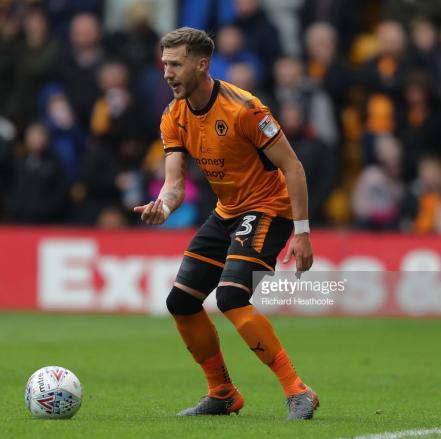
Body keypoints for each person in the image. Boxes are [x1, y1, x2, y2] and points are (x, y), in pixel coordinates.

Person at [133, 27, 318, 420]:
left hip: (270, 208)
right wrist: (162, 208)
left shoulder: (244, 108)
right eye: (164, 64)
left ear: (201, 65)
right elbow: (174, 184)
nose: (167, 72)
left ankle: (297, 390)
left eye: (176, 64)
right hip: (227, 211)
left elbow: (293, 166)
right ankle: (222, 393)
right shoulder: (174, 115)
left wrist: (302, 233)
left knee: (231, 296)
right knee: (181, 302)